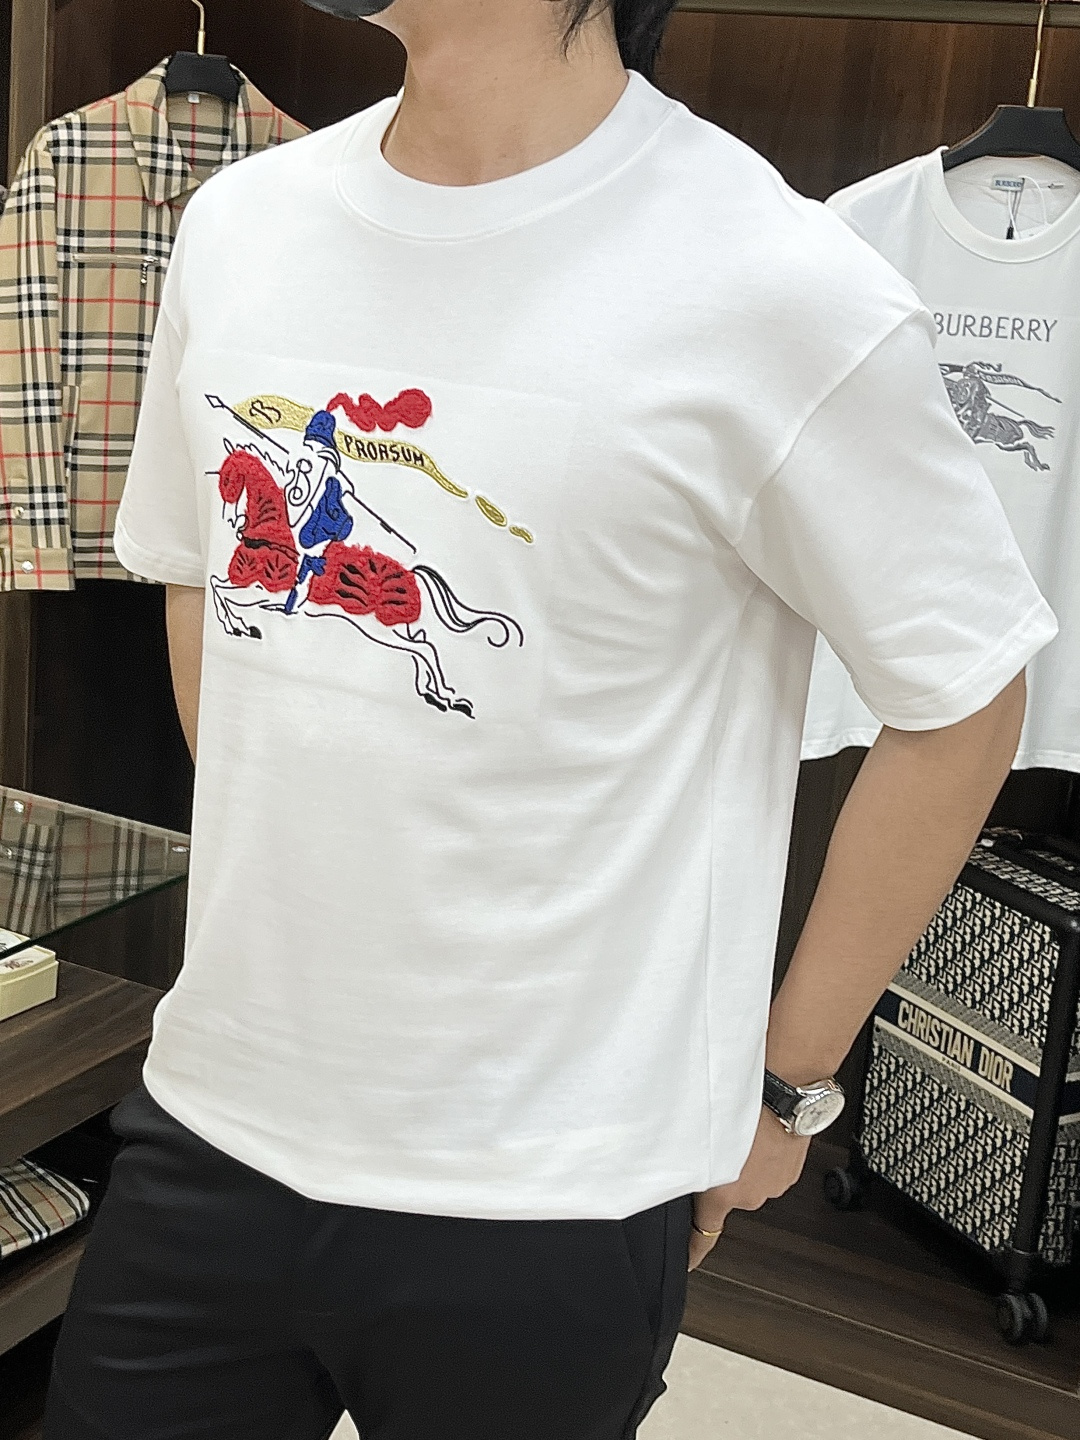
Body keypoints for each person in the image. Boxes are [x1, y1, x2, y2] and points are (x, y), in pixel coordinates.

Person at [44, 1, 1057, 1437]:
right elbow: (203, 575)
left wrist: (787, 1084)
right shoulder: (242, 226)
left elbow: (965, 696)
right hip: (218, 1112)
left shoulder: (777, 282)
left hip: (555, 1186)